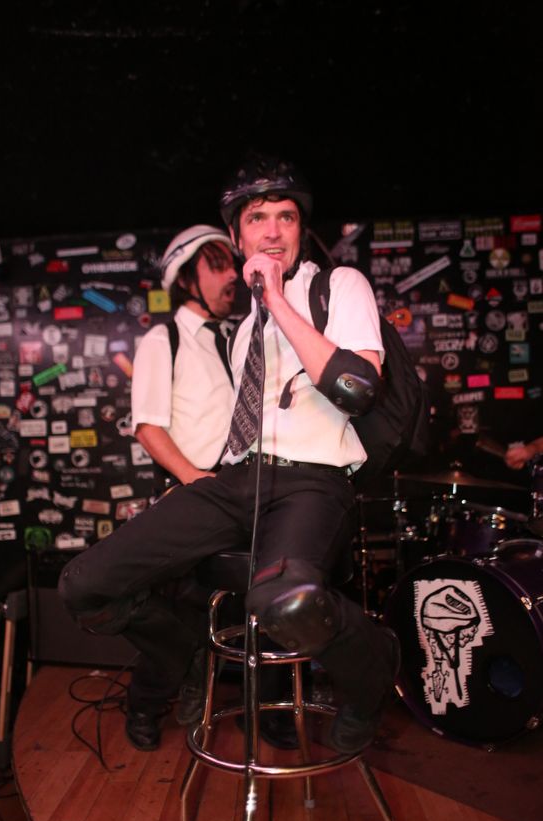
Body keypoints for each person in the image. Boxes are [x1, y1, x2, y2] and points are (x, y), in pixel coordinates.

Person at [59, 154, 400, 759]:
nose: (272, 231)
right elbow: (240, 426)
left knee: (281, 604)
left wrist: (278, 300)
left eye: (286, 217)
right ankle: (186, 652)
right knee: (84, 585)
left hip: (313, 480)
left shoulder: (339, 286)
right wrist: (195, 487)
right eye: (256, 219)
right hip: (239, 478)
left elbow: (357, 389)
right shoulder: (242, 330)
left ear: (300, 229)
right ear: (239, 237)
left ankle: (374, 667)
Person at [124, 225, 238, 749]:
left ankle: (215, 688)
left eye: (232, 264)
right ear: (187, 277)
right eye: (218, 265)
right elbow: (148, 427)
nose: (233, 275)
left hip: (237, 494)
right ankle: (146, 704)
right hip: (191, 491)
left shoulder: (237, 338)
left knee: (235, 604)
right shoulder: (163, 339)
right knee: (181, 609)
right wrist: (193, 480)